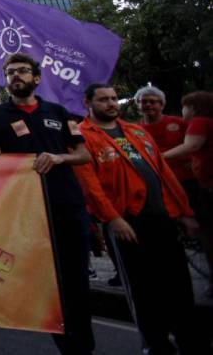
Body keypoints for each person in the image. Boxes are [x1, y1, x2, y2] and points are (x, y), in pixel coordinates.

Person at [0, 54, 96, 355]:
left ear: (36, 78)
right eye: (10, 72)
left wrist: (58, 158)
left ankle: (84, 346)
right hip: (26, 212)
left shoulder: (59, 112)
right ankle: (68, 346)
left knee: (77, 279)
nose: (16, 75)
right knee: (46, 284)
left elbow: (83, 154)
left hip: (67, 206)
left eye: (23, 71)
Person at [76, 84, 206, 354]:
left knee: (179, 287)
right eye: (103, 99)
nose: (111, 103)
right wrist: (112, 219)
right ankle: (156, 345)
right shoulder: (82, 137)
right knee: (143, 291)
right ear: (87, 103)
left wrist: (184, 212)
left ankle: (191, 343)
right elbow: (89, 185)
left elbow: (163, 173)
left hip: (163, 221)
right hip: (127, 224)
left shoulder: (136, 131)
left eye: (114, 98)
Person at [163, 91, 213, 284]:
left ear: (193, 107)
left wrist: (160, 157)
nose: (182, 110)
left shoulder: (199, 122)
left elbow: (191, 146)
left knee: (208, 234)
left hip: (208, 186)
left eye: (184, 106)